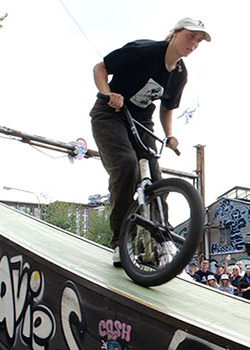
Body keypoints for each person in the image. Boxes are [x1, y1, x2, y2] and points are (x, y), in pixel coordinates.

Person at [91, 18, 210, 265]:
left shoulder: (179, 74)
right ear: (175, 33)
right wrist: (107, 94)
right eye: (190, 36)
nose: (193, 44)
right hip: (110, 115)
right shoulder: (143, 51)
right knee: (126, 166)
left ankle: (162, 238)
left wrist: (169, 135)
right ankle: (119, 242)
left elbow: (166, 108)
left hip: (142, 122)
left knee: (156, 178)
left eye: (198, 41)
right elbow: (100, 68)